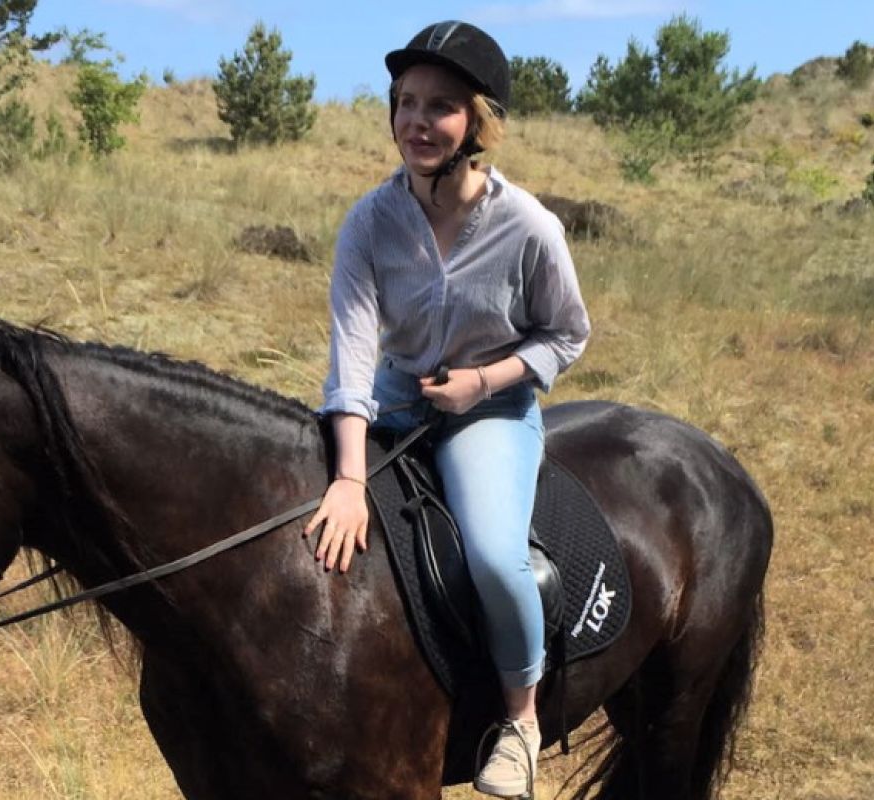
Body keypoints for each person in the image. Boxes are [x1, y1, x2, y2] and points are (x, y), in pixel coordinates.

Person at [302, 20, 591, 799]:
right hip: (392, 402)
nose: (416, 122)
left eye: (439, 106)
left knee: (495, 558)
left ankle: (520, 721)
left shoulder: (528, 226)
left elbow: (567, 334)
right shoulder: (369, 221)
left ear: (478, 123)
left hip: (488, 411)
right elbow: (351, 359)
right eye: (404, 103)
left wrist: (483, 382)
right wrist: (349, 479)